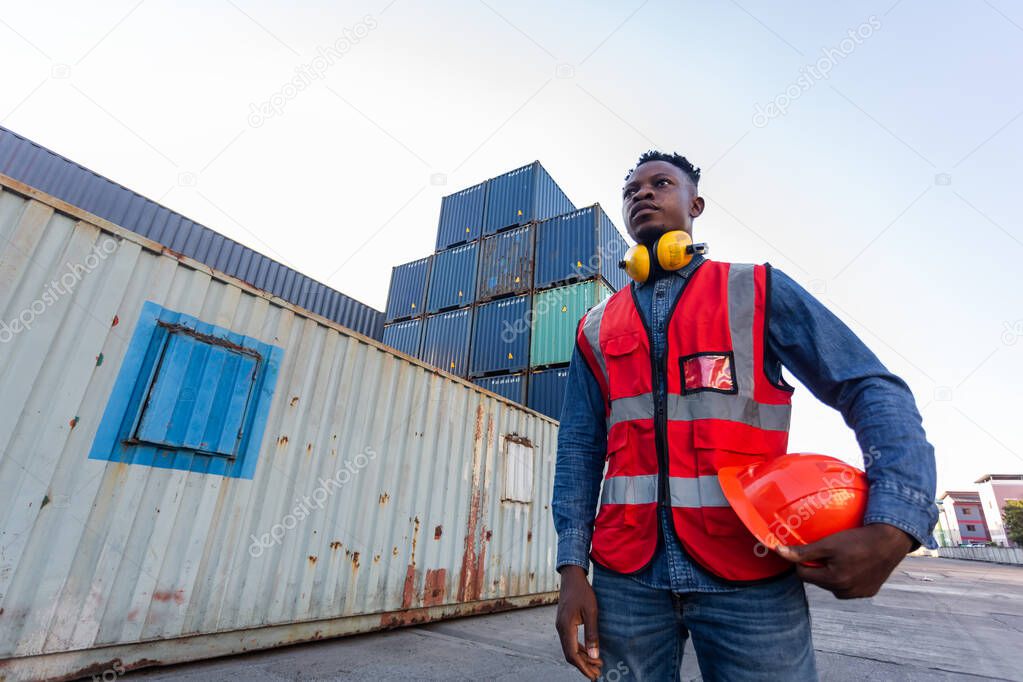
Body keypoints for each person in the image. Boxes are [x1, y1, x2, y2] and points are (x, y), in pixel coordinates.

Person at [552, 150, 937, 681]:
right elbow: (578, 447)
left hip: (750, 571)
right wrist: (572, 566)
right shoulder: (595, 326)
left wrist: (896, 521)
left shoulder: (756, 289)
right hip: (625, 578)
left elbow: (869, 387)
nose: (641, 193)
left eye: (660, 183)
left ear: (696, 204)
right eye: (630, 189)